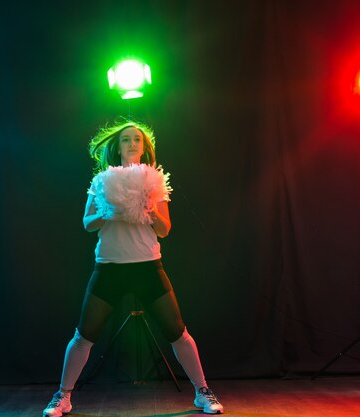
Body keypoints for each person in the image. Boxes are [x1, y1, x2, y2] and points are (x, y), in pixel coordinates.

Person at [42, 121, 223, 416]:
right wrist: (108, 212)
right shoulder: (101, 180)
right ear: (118, 146)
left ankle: (202, 391)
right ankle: (62, 396)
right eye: (125, 139)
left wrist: (148, 210)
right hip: (110, 268)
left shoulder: (154, 181)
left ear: (144, 147)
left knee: (178, 332)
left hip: (148, 267)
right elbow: (88, 223)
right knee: (83, 336)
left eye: (136, 139)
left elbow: (165, 229)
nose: (131, 144)